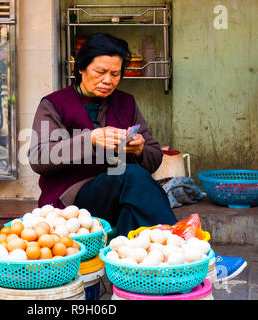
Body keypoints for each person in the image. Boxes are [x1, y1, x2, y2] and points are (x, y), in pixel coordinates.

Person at [28, 32, 245, 282]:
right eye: (100, 72)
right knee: (131, 176)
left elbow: (153, 157)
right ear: (82, 68)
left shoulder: (126, 103)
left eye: (115, 74)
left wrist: (140, 149)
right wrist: (91, 139)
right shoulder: (55, 104)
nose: (108, 81)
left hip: (118, 195)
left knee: (135, 210)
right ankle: (196, 258)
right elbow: (40, 157)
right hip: (72, 203)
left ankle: (151, 279)